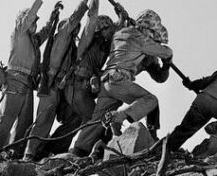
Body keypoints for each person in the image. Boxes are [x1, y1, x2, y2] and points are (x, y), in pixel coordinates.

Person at [70, 8, 174, 157]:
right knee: (150, 100)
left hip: (106, 83)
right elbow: (166, 52)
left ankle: (78, 150)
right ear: (148, 29)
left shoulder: (120, 33)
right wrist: (168, 60)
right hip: (119, 80)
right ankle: (119, 117)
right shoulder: (140, 38)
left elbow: (160, 77)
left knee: (97, 120)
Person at [23, 0, 99, 161]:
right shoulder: (62, 36)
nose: (74, 28)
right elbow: (75, 17)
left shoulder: (71, 45)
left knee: (77, 116)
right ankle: (29, 153)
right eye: (71, 26)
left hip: (62, 88)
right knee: (43, 121)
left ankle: (54, 148)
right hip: (51, 85)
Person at [42, 0, 121, 156]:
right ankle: (92, 150)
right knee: (100, 118)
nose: (111, 32)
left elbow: (115, 33)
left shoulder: (104, 46)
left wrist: (122, 17)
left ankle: (52, 149)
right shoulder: (88, 41)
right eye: (108, 29)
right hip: (76, 87)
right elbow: (92, 17)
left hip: (82, 90)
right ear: (101, 30)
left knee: (77, 121)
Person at [0, 0, 57, 155]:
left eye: (36, 22)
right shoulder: (19, 32)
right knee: (7, 119)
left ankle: (13, 153)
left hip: (27, 83)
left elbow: (46, 32)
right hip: (15, 80)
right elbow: (29, 16)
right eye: (32, 21)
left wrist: (53, 17)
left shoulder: (33, 40)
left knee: (25, 123)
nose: (34, 23)